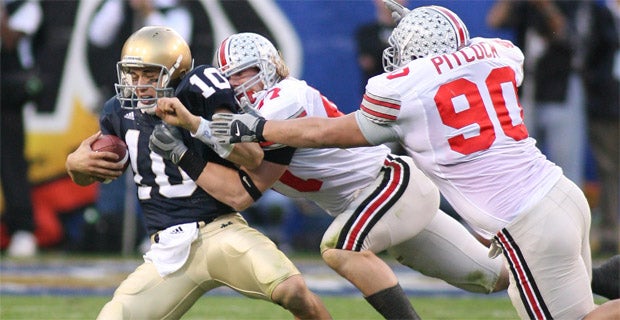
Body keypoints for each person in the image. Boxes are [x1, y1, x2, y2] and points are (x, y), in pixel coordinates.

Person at [207, 3, 620, 319]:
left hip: (522, 217)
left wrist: (257, 129)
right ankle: (609, 277)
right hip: (561, 193)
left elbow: (330, 133)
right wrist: (426, 28)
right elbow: (461, 54)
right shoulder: (498, 53)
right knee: (495, 276)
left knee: (340, 249)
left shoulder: (401, 87)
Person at [151, 32, 509, 320]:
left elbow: (248, 143)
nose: (235, 84)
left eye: (243, 72)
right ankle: (544, 271)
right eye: (228, 77)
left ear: (268, 66)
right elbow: (239, 188)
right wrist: (183, 150)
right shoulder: (244, 119)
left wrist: (196, 126)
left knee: (340, 249)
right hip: (374, 206)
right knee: (493, 277)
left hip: (389, 184)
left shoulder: (286, 96)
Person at [65, 26, 331, 319]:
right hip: (167, 250)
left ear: (174, 73)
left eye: (151, 77)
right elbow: (97, 172)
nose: (140, 85)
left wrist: (192, 125)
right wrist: (75, 166)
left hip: (220, 230)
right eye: (134, 75)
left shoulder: (198, 87)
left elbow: (251, 156)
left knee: (292, 290)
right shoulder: (118, 112)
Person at [487, 0, 587, 190]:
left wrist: (545, 6)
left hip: (561, 89)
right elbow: (494, 21)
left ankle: (572, 215)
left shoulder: (576, 4)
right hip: (528, 90)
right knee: (520, 164)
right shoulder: (525, 5)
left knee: (566, 165)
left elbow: (569, 37)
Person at [1, 0, 43, 258]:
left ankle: (22, 229)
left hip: (7, 97)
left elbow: (9, 41)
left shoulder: (26, 8)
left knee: (11, 164)